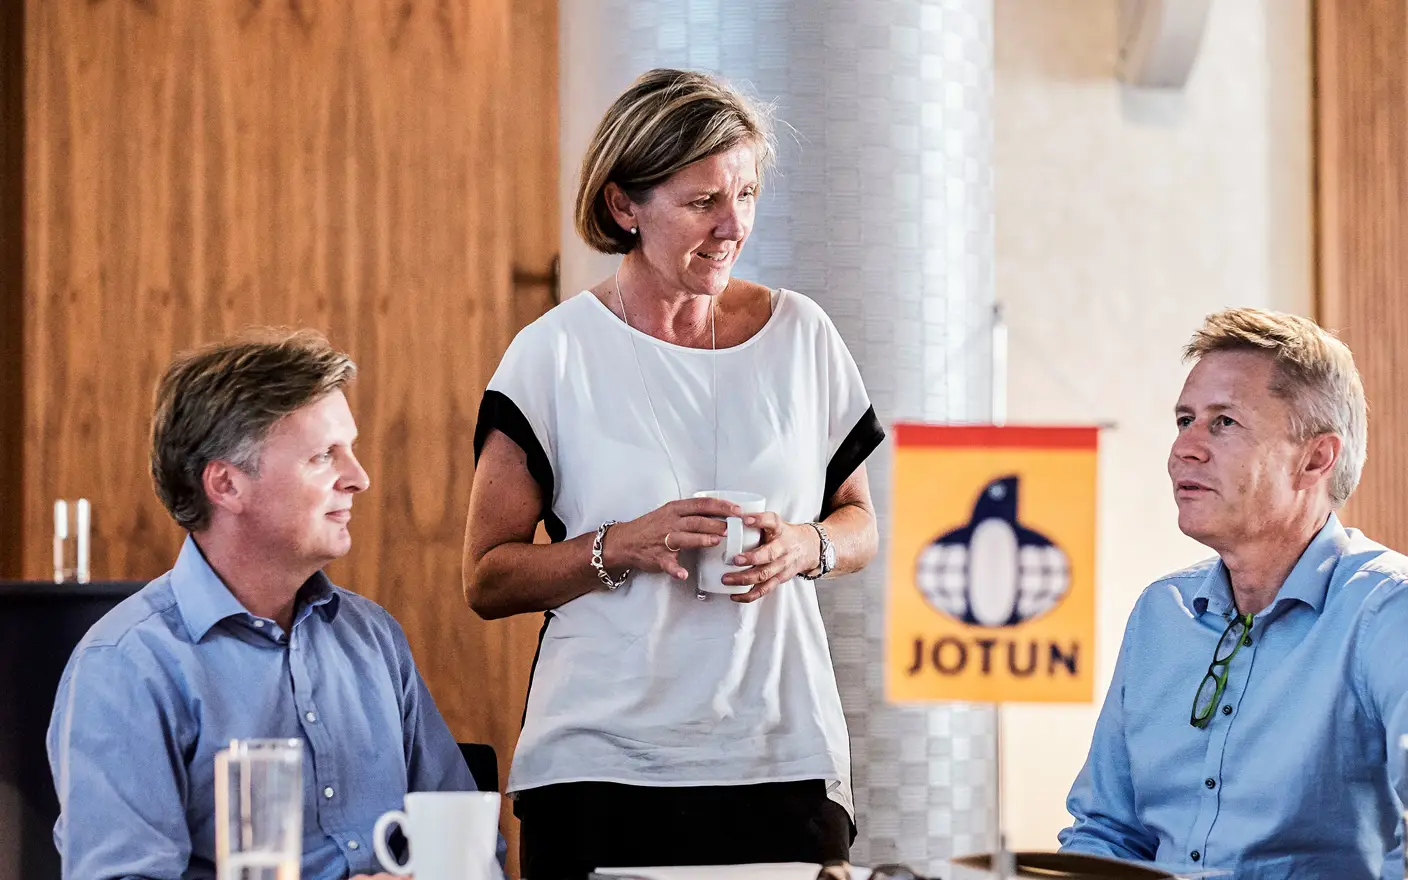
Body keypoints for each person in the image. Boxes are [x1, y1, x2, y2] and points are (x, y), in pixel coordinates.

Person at [464, 68, 885, 878]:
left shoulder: (803, 336)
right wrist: (619, 545)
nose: (735, 226)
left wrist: (804, 545)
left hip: (781, 753)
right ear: (625, 206)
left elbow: (860, 523)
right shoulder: (552, 354)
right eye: (703, 203)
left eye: (748, 195)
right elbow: (486, 579)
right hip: (600, 767)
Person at [47, 329, 491, 880]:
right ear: (227, 485)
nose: (359, 478)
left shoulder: (373, 638)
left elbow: (469, 846)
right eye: (323, 456)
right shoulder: (126, 666)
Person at [1059, 308, 1408, 878]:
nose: (1184, 450)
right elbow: (1107, 831)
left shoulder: (1387, 608)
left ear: (1316, 457)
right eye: (1184, 419)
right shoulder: (1159, 614)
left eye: (1224, 422)